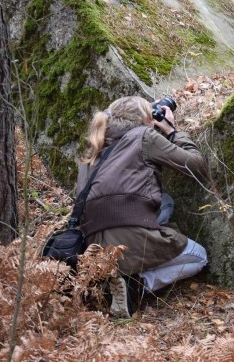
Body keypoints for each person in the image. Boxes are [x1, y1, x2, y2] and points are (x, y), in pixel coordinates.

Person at [75, 95, 209, 317]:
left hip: (93, 245)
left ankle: (113, 277)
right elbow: (196, 166)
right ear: (147, 118)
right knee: (199, 256)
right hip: (127, 237)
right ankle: (135, 285)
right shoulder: (144, 136)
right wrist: (171, 131)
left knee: (165, 202)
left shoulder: (93, 147)